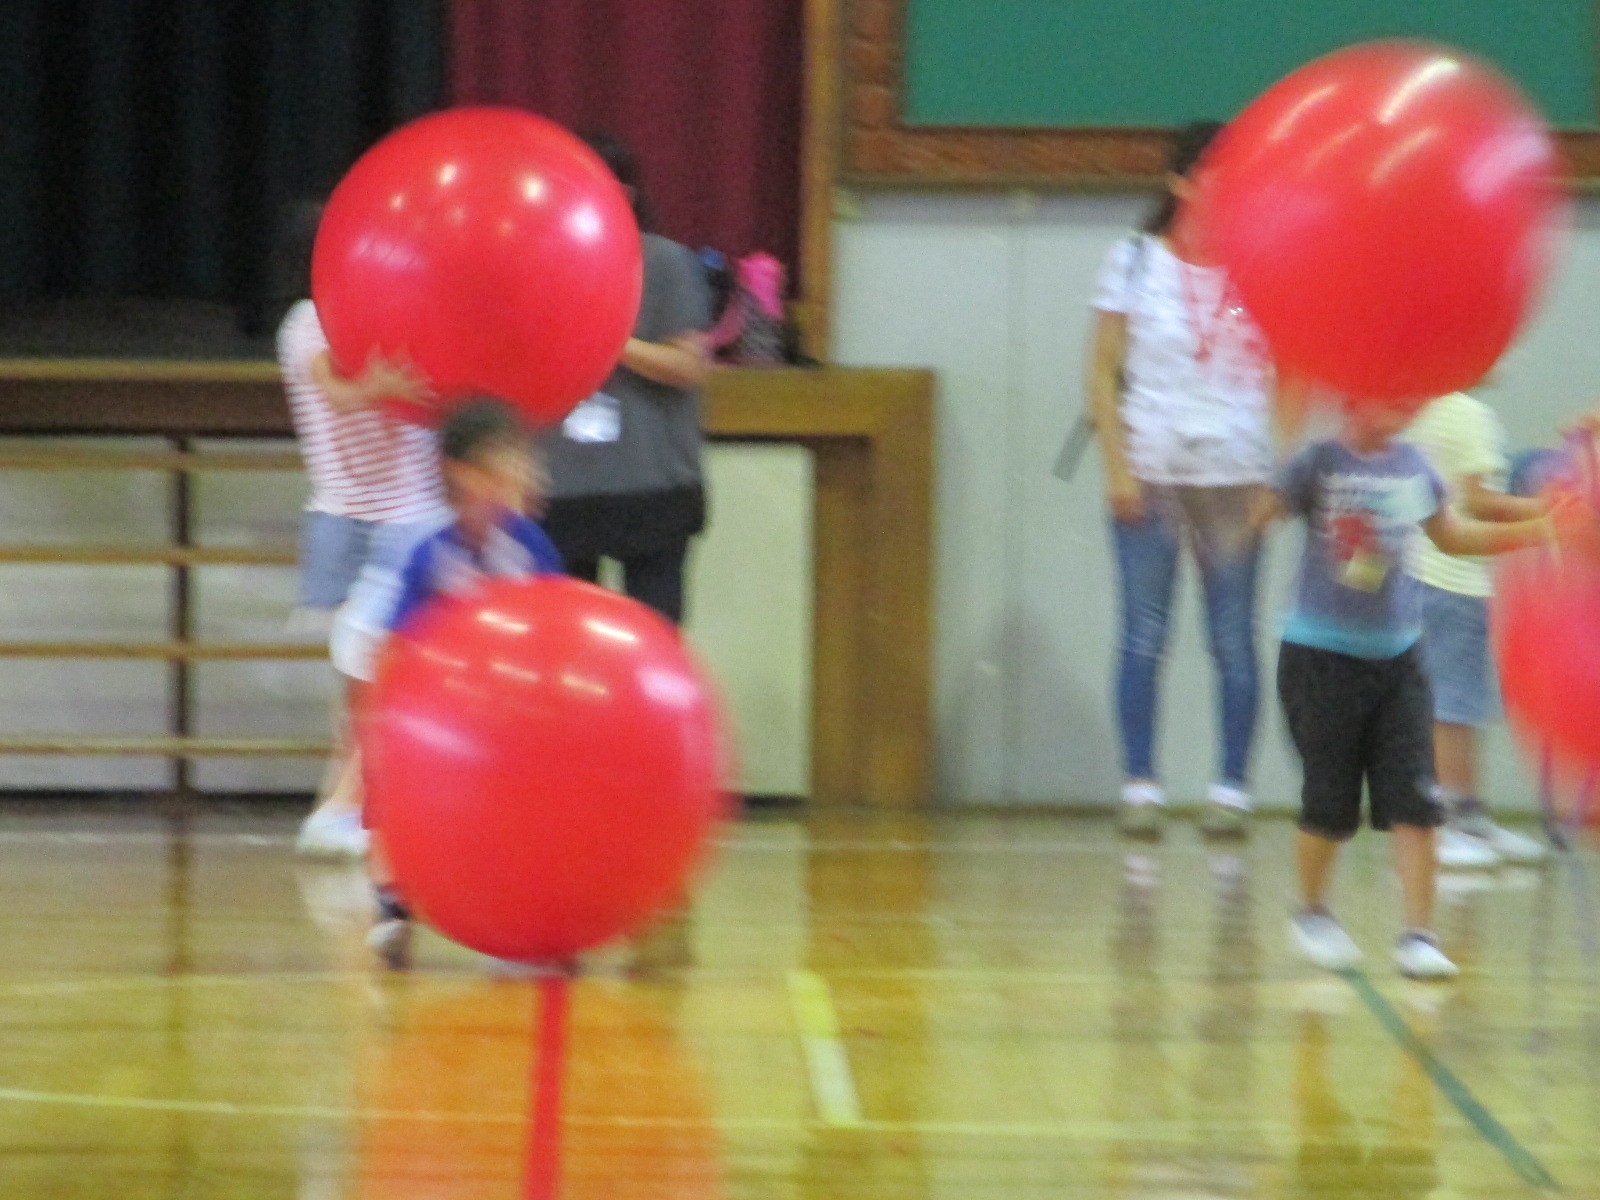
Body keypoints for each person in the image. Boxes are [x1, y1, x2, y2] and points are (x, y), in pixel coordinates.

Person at [1268, 398, 1578, 979]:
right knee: (1331, 804)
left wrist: (1538, 529)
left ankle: (1418, 934)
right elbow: (1262, 512)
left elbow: (1452, 536)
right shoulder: (1320, 463)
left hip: (1399, 658)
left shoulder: (1413, 467)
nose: (1399, 407)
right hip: (1322, 657)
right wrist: (1277, 450)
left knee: (1417, 801)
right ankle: (1311, 913)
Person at [1087, 120, 1293, 838]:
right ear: (1181, 180)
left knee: (1234, 640)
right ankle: (1140, 783)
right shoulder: (1135, 261)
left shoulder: (1264, 263)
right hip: (1150, 471)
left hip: (1237, 475)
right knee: (1143, 636)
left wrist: (1282, 474)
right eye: (1217, 170)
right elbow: (1101, 371)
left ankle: (1231, 788)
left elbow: (1295, 373)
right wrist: (1116, 467)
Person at [275, 200, 449, 859]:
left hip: (405, 513)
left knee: (375, 676)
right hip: (353, 521)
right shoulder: (305, 323)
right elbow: (337, 391)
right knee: (363, 679)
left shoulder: (394, 307)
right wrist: (375, 384)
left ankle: (345, 805)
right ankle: (345, 807)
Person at [365, 398, 562, 966]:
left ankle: (527, 907)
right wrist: (386, 723)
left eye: (521, 464)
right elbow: (395, 646)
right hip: (446, 726)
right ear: (463, 474)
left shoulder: (529, 549)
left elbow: (557, 630)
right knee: (388, 782)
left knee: (529, 800)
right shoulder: (433, 556)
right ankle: (393, 901)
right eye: (504, 465)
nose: (520, 476)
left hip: (515, 719)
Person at [540, 132, 714, 626]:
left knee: (653, 641)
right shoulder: (538, 260)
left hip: (652, 486)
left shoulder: (663, 261)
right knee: (568, 646)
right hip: (564, 487)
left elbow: (689, 366)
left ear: (626, 193)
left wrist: (612, 341)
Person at [1402, 390, 1551, 868]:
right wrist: (1550, 516)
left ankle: (1467, 816)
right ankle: (1444, 820)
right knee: (1452, 706)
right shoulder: (1467, 413)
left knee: (1459, 705)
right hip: (1452, 580)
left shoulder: (1427, 406)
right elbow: (1477, 501)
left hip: (1432, 576)